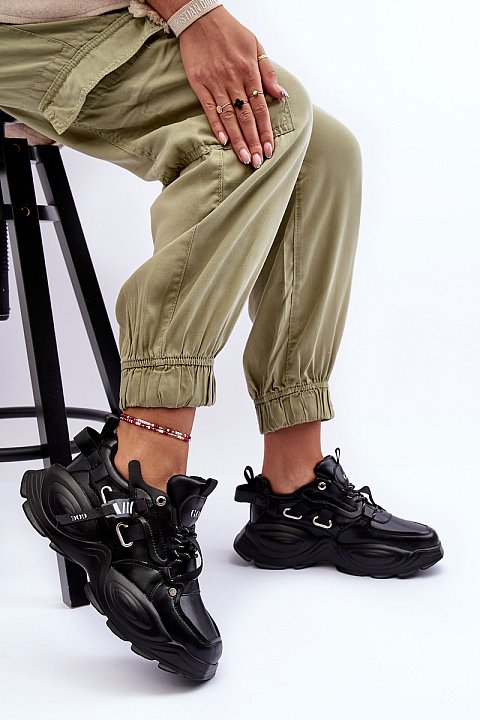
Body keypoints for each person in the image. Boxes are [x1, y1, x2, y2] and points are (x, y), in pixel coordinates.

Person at [0, 0, 443, 682]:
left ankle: (294, 487)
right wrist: (191, 13)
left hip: (92, 17)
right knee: (264, 128)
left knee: (326, 150)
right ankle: (137, 473)